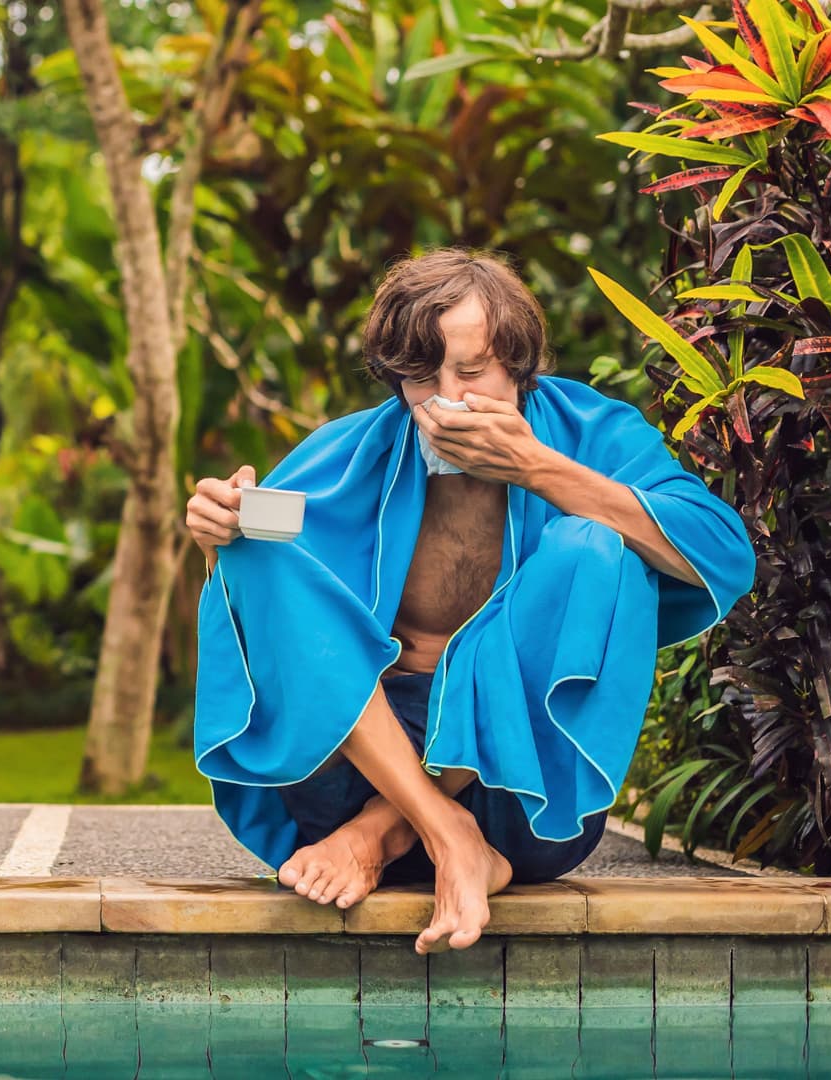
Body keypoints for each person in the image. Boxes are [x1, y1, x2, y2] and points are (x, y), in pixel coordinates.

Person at [187, 248, 755, 954]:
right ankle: (444, 829)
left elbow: (724, 556)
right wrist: (220, 535)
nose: (447, 400)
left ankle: (386, 832)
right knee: (257, 545)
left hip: (524, 799)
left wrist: (538, 468)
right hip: (349, 776)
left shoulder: (589, 433)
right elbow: (266, 622)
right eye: (421, 378)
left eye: (471, 370)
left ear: (518, 364)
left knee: (592, 547)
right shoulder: (349, 452)